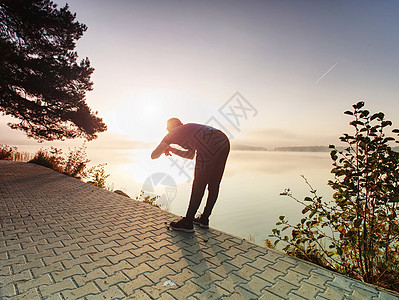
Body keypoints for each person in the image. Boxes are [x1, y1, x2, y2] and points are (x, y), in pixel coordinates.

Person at [151, 118, 230, 232]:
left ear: (170, 128)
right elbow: (190, 155)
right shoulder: (189, 130)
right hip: (223, 140)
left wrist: (165, 147)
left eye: (168, 130)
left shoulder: (173, 133)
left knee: (199, 184)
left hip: (209, 142)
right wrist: (171, 149)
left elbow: (154, 155)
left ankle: (188, 222)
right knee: (214, 184)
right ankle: (204, 219)